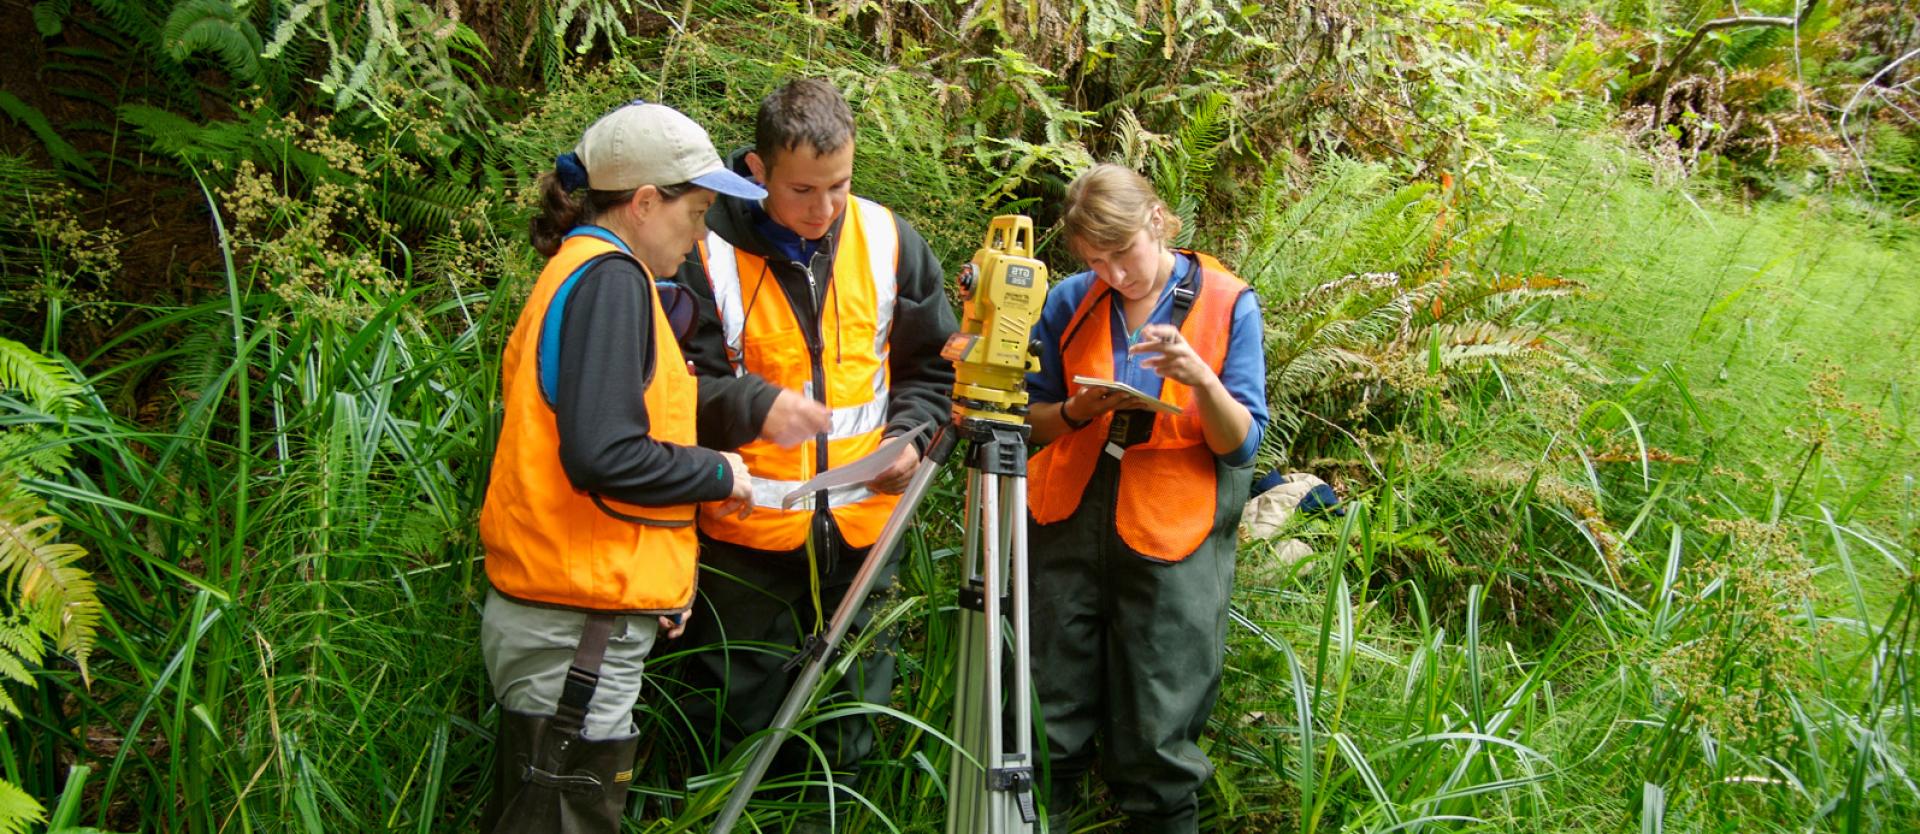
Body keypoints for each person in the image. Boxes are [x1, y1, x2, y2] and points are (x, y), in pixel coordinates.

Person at [476, 100, 769, 833]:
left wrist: (655, 578)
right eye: (696, 213)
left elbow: (597, 447)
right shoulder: (611, 280)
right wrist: (720, 474)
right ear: (644, 202)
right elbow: (604, 454)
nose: (700, 235)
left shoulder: (585, 272)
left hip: (580, 618)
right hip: (573, 632)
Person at [667, 77, 959, 802]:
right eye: (803, 190)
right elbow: (668, 393)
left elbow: (933, 369)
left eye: (839, 185)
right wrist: (754, 405)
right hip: (744, 545)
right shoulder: (700, 252)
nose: (823, 209)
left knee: (845, 738)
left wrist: (911, 440)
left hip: (864, 538)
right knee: (736, 730)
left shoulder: (889, 240)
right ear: (756, 171)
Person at [1023, 163, 1270, 833]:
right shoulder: (1070, 300)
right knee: (1049, 701)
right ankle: (1045, 816)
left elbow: (1242, 444)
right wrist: (1075, 410)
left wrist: (1200, 379)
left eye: (1124, 253)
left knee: (1160, 715)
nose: (1116, 276)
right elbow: (1030, 422)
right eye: (1096, 262)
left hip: (1175, 531)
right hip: (1068, 518)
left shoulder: (1227, 302)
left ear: (1157, 220)